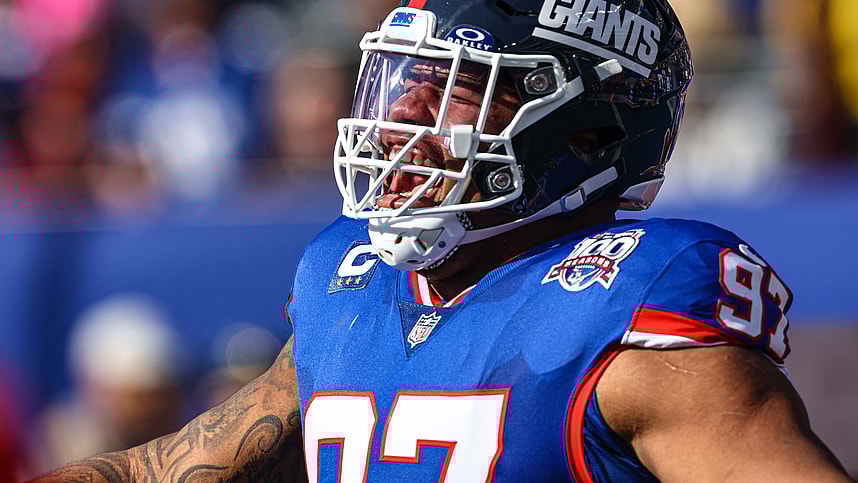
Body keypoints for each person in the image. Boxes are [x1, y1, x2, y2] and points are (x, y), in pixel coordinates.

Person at [31, 1, 853, 481]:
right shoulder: (352, 278)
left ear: (588, 131)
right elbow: (169, 466)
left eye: (453, 91)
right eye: (401, 82)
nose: (399, 120)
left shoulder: (630, 312)